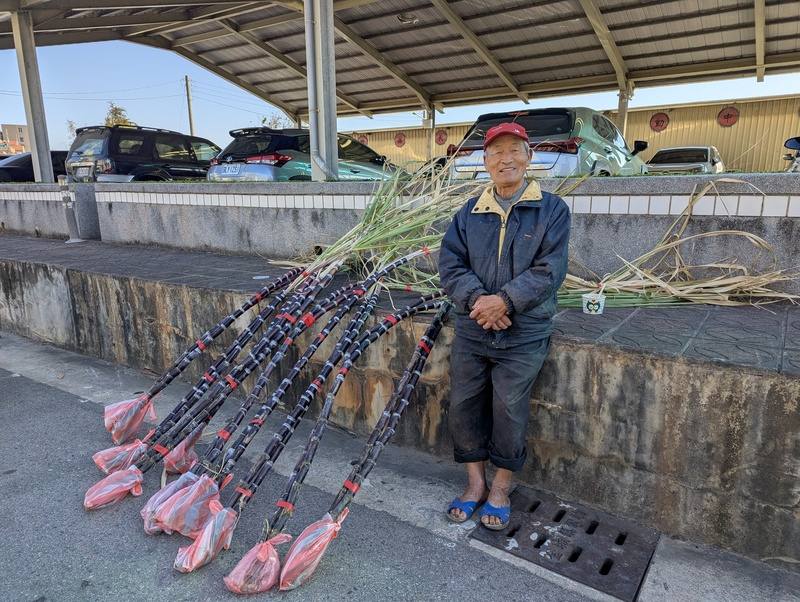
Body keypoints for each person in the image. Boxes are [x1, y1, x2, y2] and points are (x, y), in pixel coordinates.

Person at [438, 122, 570, 530]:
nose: (505, 159)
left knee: (509, 408)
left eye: (514, 150)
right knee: (463, 405)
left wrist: (506, 301)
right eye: (496, 152)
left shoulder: (552, 209)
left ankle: (500, 487)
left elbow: (550, 269)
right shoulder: (470, 212)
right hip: (474, 325)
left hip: (524, 329)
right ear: (485, 161)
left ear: (530, 158)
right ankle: (475, 484)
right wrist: (480, 302)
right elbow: (450, 263)